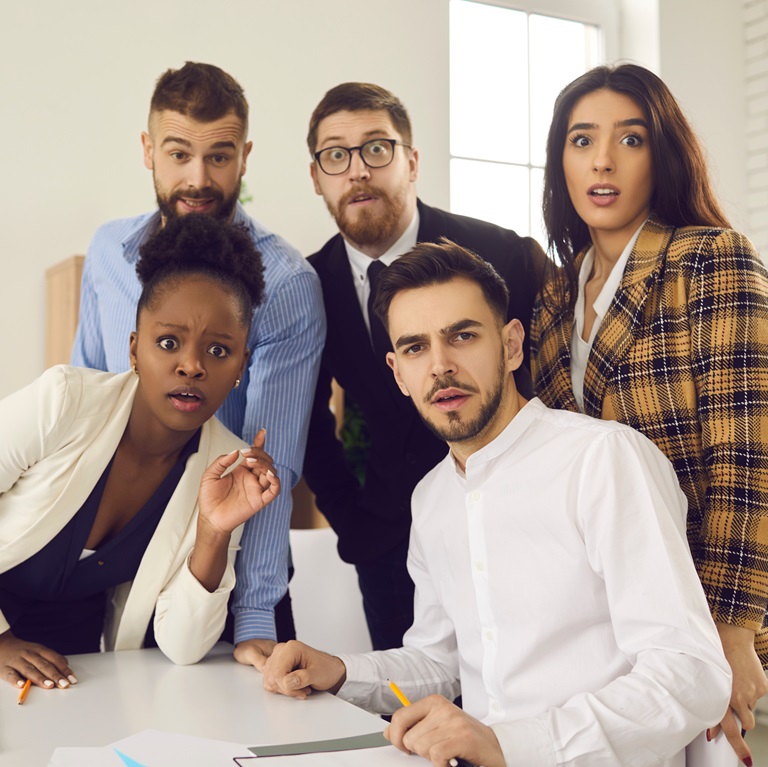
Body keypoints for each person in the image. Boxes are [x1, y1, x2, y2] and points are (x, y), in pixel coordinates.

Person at [262, 240, 731, 767]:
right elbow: (440, 661)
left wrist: (509, 744)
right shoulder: (432, 498)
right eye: (416, 348)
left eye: (462, 336)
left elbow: (691, 674)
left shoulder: (602, 461)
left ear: (511, 346)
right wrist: (342, 672)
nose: (440, 366)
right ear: (398, 374)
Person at [529, 63, 768, 766]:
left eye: (629, 140)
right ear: (560, 160)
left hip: (706, 610)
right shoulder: (551, 300)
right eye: (581, 140)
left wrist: (734, 629)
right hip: (606, 634)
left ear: (659, 155)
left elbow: (747, 459)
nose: (602, 160)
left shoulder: (711, 260)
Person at [70, 62, 325, 667]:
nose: (198, 178)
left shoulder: (286, 285)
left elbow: (271, 465)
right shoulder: (108, 253)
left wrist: (256, 616)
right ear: (148, 150)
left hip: (229, 563)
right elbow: (85, 405)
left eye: (219, 156)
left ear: (245, 156)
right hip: (100, 557)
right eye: (179, 153)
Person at [303, 82, 545, 650]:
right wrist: (353, 523)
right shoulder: (308, 286)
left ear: (411, 161)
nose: (357, 170)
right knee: (408, 718)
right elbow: (308, 423)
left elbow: (548, 389)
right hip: (387, 541)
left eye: (376, 149)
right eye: (335, 155)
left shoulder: (503, 253)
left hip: (514, 527)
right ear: (317, 178)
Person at [0, 214, 280, 690]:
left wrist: (213, 530)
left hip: (74, 663)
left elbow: (184, 645)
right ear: (134, 349)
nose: (191, 365)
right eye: (168, 342)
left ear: (241, 366)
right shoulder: (63, 400)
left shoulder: (226, 469)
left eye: (218, 351)